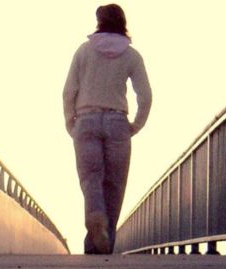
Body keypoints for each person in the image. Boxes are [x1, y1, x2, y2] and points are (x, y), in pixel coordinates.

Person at [63, 4, 152, 254]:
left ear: (98, 22)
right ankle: (104, 244)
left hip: (86, 119)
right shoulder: (132, 55)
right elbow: (145, 95)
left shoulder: (83, 51)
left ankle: (95, 219)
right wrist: (136, 125)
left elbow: (69, 90)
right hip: (117, 122)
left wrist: (70, 120)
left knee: (91, 178)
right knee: (114, 184)